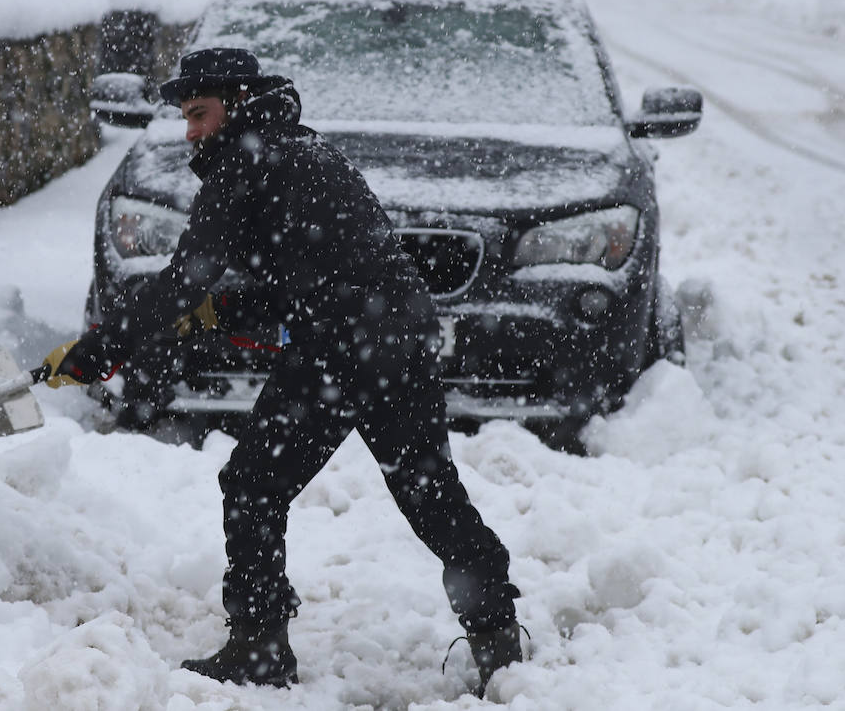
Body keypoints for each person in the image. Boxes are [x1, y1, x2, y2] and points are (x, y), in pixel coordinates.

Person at [43, 47, 523, 695]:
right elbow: (309, 266)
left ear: (237, 104)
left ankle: (259, 645)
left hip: (343, 346)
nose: (190, 132)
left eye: (199, 114)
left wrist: (95, 353)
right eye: (185, 118)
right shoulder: (302, 151)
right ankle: (499, 637)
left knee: (253, 482)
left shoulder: (245, 161)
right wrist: (213, 315)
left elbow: (189, 276)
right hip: (399, 336)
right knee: (427, 492)